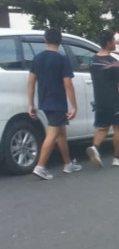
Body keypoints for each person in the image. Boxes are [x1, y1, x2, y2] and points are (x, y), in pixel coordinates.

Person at [27, 28, 82, 180]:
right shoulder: (62, 59)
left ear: (45, 40)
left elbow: (31, 83)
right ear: (60, 41)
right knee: (52, 134)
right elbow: (68, 84)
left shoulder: (37, 58)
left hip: (44, 101)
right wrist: (74, 106)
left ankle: (68, 164)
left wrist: (30, 103)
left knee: (61, 132)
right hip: (58, 102)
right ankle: (40, 166)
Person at [86, 29, 119, 168]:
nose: (115, 43)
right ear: (108, 42)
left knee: (102, 128)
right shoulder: (113, 63)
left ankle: (95, 147)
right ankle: (117, 158)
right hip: (113, 101)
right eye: (113, 40)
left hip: (99, 100)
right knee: (117, 129)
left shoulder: (93, 61)